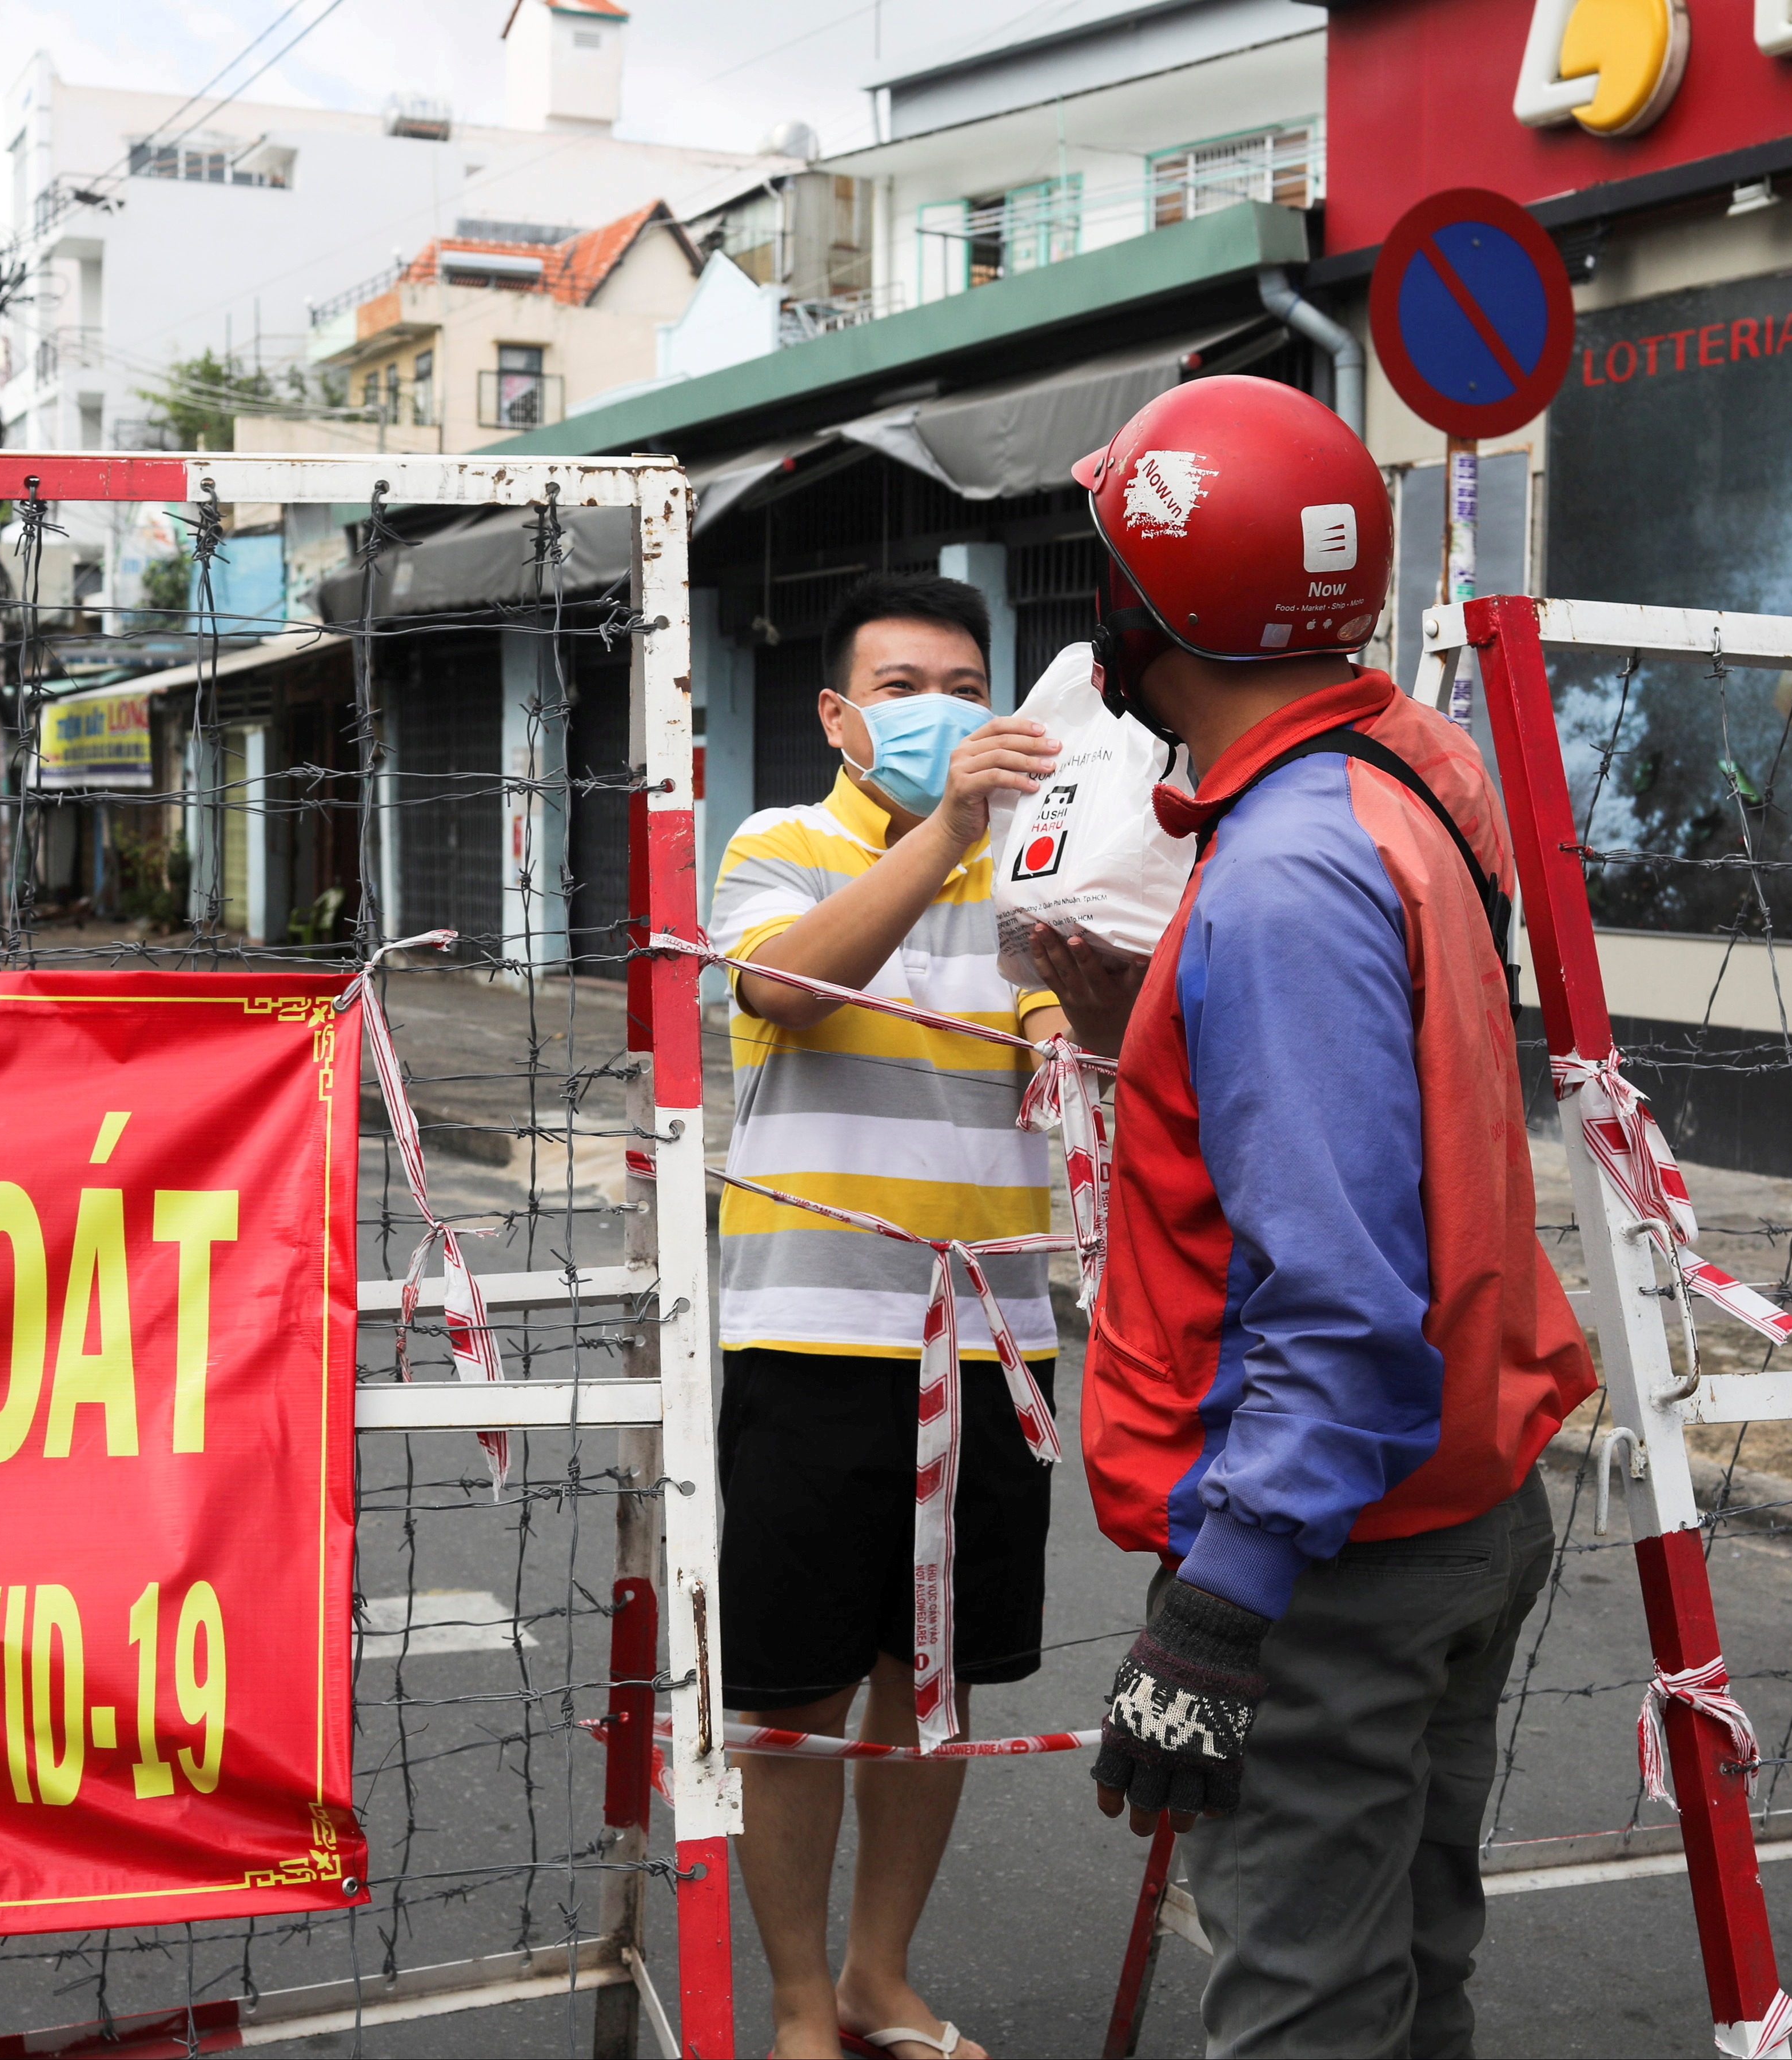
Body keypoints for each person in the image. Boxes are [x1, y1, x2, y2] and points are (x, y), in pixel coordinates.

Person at [1071, 377, 1599, 2056]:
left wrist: (1218, 1608)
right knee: (1403, 1973)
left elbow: (1335, 1296)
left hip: (1330, 1554)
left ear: (1153, 615)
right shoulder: (1406, 776)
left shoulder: (1287, 876)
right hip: (1458, 1498)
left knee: (1305, 2008)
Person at [710, 570, 1139, 2060]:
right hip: (807, 1342)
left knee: (931, 1689)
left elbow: (1082, 1057)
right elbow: (785, 988)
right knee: (795, 1694)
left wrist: (1088, 995)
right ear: (835, 715)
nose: (942, 707)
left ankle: (879, 1976)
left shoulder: (1035, 863)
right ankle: (790, 2002)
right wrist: (945, 829)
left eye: (967, 681)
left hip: (989, 1353)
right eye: (903, 686)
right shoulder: (776, 846)